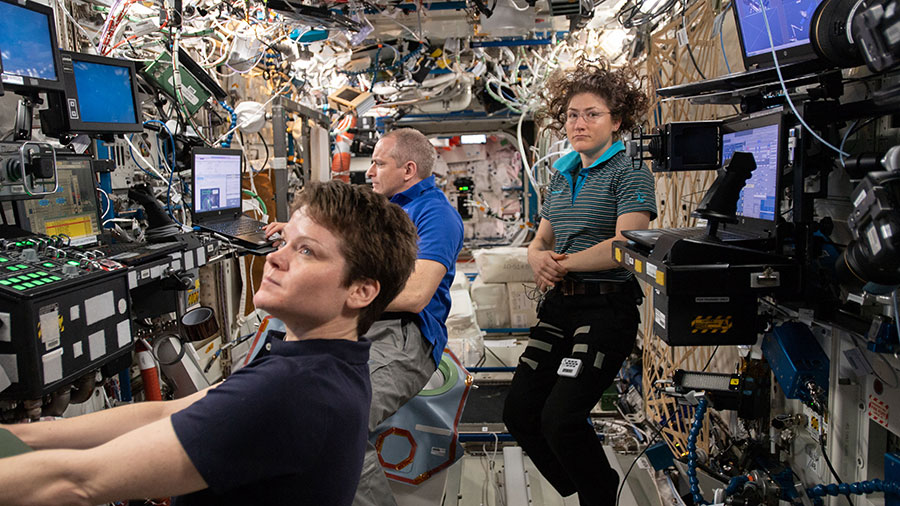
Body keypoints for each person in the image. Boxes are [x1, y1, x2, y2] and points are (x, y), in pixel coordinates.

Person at [0, 181, 419, 506]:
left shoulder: (294, 390)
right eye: (285, 241)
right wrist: (24, 436)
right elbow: (167, 411)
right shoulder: (326, 362)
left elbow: (79, 481)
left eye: (307, 251)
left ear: (361, 291)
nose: (274, 257)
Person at [265, 127, 464, 506]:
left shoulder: (435, 214)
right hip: (362, 326)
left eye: (378, 162)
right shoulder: (382, 209)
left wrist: (327, 295)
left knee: (339, 426)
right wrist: (296, 234)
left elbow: (416, 295)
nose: (369, 171)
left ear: (408, 169)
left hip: (406, 337)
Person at [502, 58, 657, 505]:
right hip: (560, 308)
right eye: (572, 114)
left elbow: (626, 243)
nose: (579, 123)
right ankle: (583, 483)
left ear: (617, 120)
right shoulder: (562, 172)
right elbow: (542, 238)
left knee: (561, 419)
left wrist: (562, 265)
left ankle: (598, 493)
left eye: (592, 114)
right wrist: (535, 256)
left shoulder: (629, 172)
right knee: (519, 412)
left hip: (605, 309)